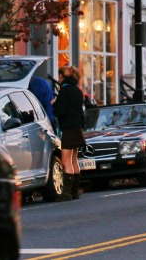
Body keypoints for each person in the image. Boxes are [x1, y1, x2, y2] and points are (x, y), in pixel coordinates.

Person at [52, 65, 85, 200]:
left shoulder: (64, 91)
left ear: (61, 77)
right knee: (74, 160)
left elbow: (60, 111)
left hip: (68, 128)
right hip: (77, 128)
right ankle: (75, 191)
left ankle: (66, 193)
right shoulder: (77, 90)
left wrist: (54, 103)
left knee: (66, 160)